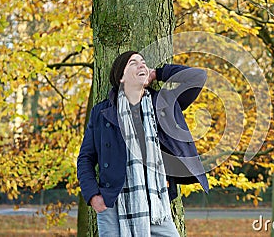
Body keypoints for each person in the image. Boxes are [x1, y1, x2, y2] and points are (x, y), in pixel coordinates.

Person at [77, 51, 209, 236]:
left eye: (143, 62)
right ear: (121, 77)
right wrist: (93, 197)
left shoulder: (164, 103)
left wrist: (158, 73)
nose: (141, 65)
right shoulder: (102, 112)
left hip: (157, 205)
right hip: (114, 204)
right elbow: (85, 158)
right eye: (133, 62)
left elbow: (198, 77)